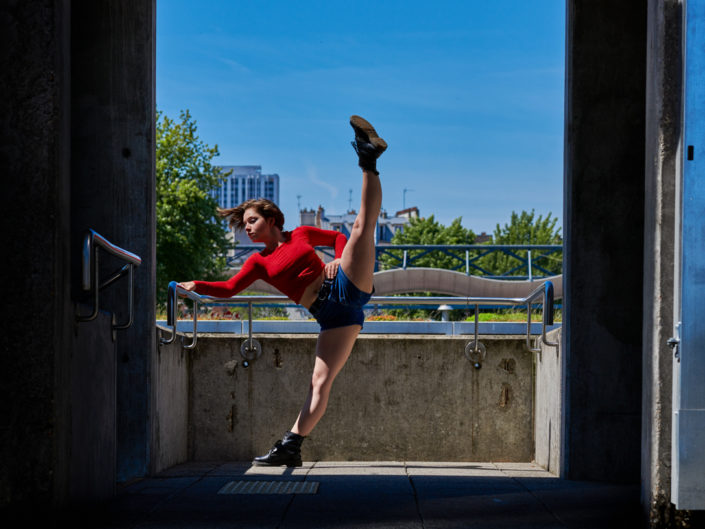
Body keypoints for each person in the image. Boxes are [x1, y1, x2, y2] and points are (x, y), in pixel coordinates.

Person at [178, 115, 386, 466]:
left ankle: (368, 158)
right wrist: (196, 285)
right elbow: (229, 289)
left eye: (252, 221)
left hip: (344, 284)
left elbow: (339, 237)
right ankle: (291, 446)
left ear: (272, 218)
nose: (248, 229)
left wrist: (337, 259)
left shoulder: (302, 234)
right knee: (319, 383)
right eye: (244, 226)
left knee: (361, 227)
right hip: (334, 314)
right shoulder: (257, 263)